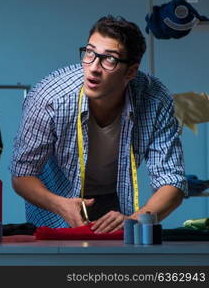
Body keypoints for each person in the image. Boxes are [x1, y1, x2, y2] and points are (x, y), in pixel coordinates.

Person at [10, 15, 186, 233]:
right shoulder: (49, 97)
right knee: (57, 264)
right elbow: (22, 174)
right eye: (90, 53)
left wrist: (137, 220)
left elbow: (172, 181)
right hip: (56, 200)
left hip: (115, 201)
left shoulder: (155, 98)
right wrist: (60, 205)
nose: (93, 68)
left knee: (114, 264)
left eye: (109, 59)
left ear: (131, 71)